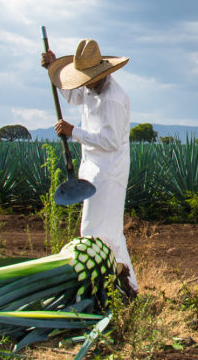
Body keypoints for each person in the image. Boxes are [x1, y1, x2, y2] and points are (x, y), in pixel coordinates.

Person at [41, 39, 137, 294]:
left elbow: (111, 141)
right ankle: (128, 289)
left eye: (86, 78)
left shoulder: (113, 99)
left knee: (95, 230)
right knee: (109, 233)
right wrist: (52, 70)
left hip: (109, 171)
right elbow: (73, 95)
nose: (83, 83)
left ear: (100, 73)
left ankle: (106, 288)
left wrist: (75, 132)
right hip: (93, 167)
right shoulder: (91, 87)